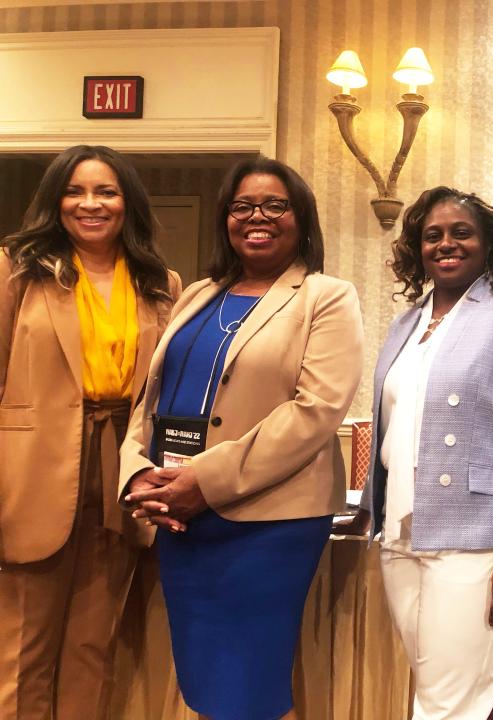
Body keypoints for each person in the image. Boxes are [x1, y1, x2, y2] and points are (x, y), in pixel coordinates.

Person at [118, 157, 363, 720]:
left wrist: (203, 480)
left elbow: (315, 410)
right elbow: (149, 397)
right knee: (202, 671)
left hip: (266, 522)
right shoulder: (197, 293)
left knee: (247, 678)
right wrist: (136, 471)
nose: (258, 216)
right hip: (180, 515)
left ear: (301, 218)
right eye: (242, 206)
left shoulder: (325, 296)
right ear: (226, 218)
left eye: (275, 205)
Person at [339, 186, 493, 719]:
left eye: (461, 233)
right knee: (429, 680)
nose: (446, 244)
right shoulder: (405, 324)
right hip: (402, 530)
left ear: (489, 244)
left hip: (477, 536)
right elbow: (395, 423)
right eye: (432, 235)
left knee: (453, 699)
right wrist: (370, 509)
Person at [0, 145, 180, 720]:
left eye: (106, 191)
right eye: (76, 191)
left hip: (121, 474)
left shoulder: (162, 283)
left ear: (128, 203)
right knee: (22, 650)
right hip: (31, 476)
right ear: (56, 201)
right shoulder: (16, 270)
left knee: (91, 646)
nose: (90, 204)